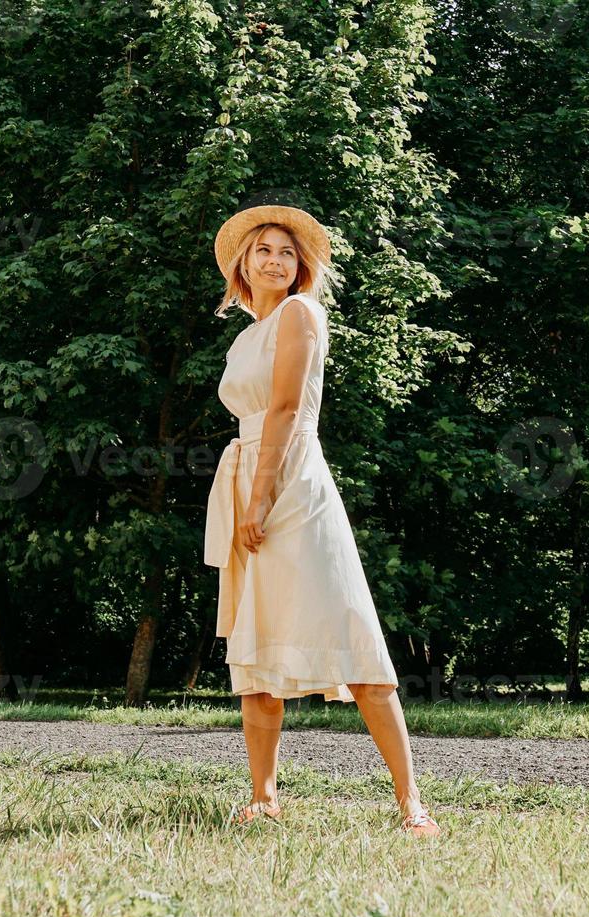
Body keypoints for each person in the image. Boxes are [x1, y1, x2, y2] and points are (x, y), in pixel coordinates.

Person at [204, 203, 441, 839]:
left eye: (286, 251)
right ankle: (263, 796)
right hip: (247, 475)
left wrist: (260, 500)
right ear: (243, 268)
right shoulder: (244, 335)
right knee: (255, 648)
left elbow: (283, 410)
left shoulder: (301, 314)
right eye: (263, 252)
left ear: (299, 265)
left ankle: (410, 804)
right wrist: (243, 497)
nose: (275, 259)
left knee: (350, 634)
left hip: (291, 484)